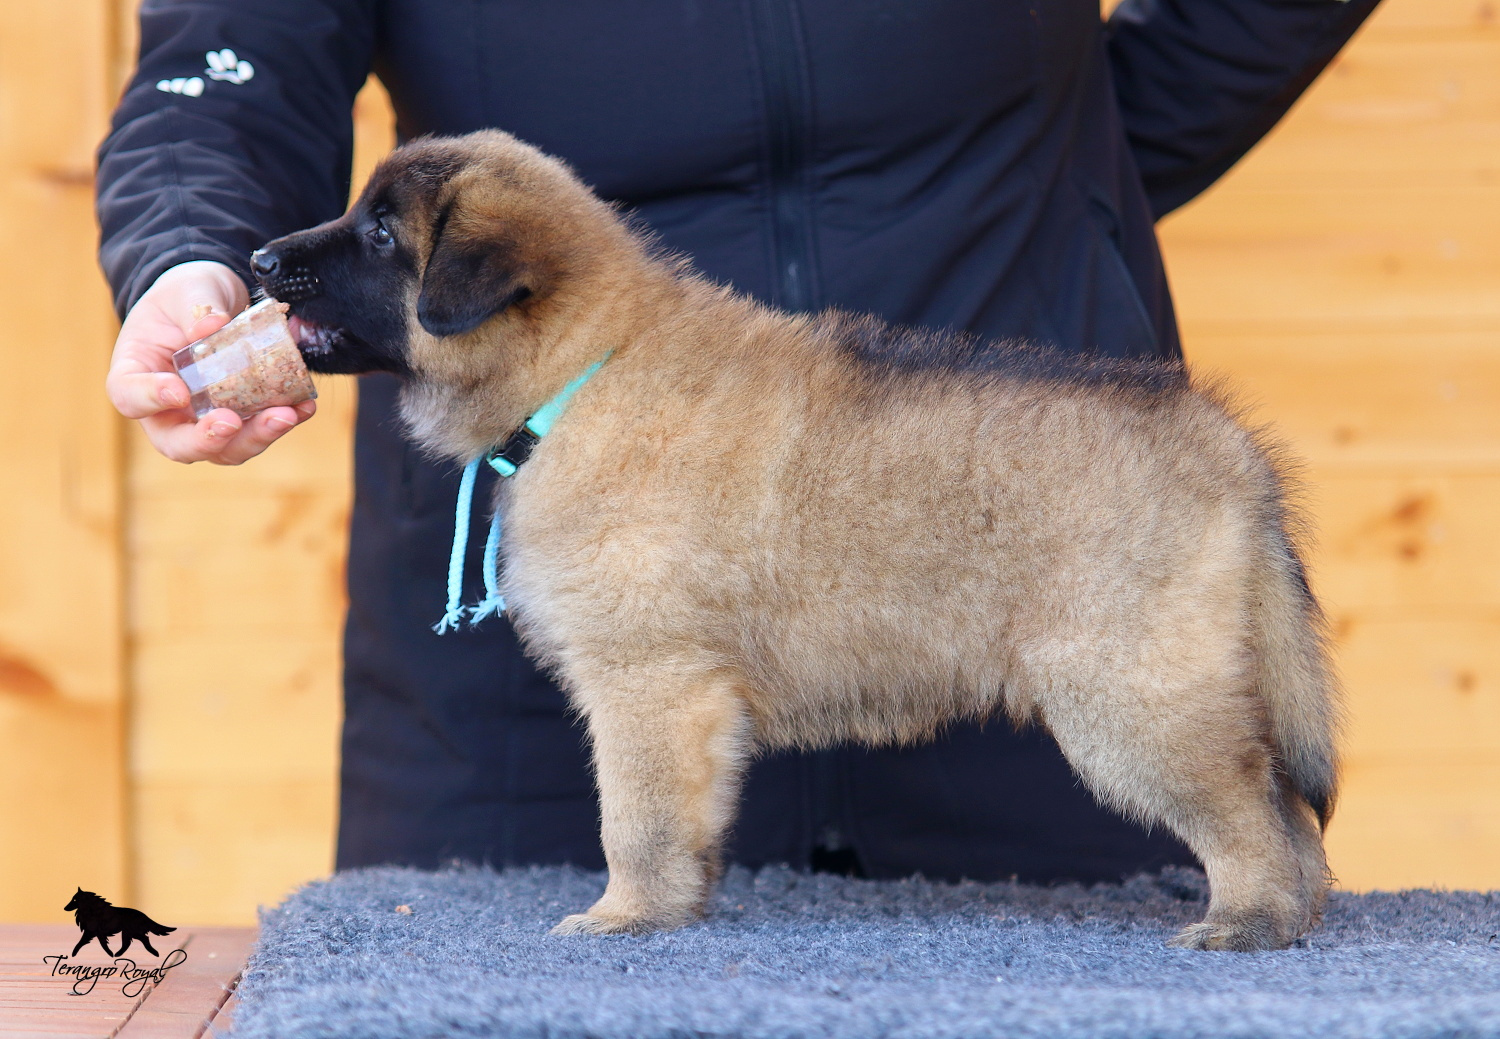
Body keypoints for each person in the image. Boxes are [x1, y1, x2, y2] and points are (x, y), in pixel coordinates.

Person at [98, 0, 1380, 883]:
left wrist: (1075, 173)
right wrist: (188, 253)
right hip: (532, 631)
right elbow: (227, 63)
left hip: (1010, 518)